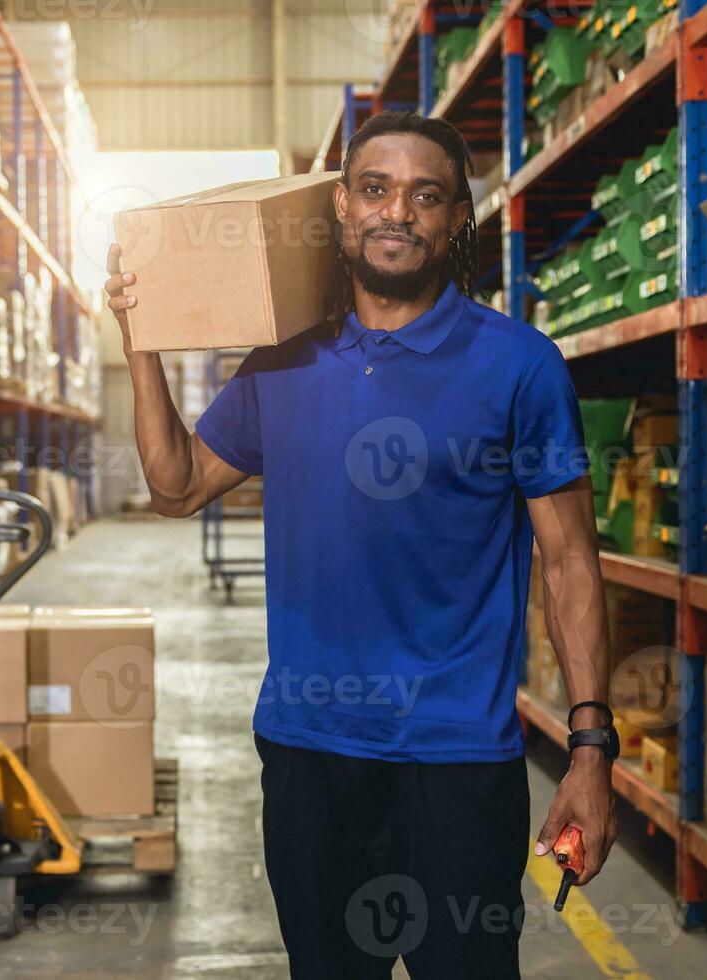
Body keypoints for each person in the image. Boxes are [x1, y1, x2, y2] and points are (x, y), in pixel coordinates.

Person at [105, 111, 619, 979]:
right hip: (311, 753)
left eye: (426, 196)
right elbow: (177, 485)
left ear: (458, 219)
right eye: (375, 190)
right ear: (341, 208)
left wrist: (590, 753)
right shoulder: (282, 362)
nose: (396, 213)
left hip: (456, 760)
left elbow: (570, 564)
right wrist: (140, 342)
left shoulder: (521, 366)